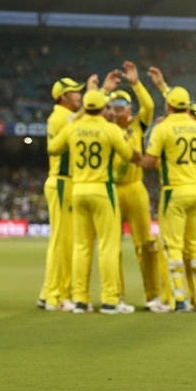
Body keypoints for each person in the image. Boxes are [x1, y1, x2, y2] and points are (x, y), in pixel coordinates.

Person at [48, 89, 141, 314]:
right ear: (103, 108)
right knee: (109, 246)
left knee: (81, 247)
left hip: (78, 189)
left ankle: (80, 300)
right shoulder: (109, 129)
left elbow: (52, 148)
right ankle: (110, 300)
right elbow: (129, 155)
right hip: (102, 189)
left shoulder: (73, 127)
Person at [141, 85, 196, 312]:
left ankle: (180, 298)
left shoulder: (163, 128)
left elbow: (151, 162)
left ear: (169, 105)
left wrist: (134, 157)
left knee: (173, 246)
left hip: (174, 190)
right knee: (195, 245)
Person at [105, 62, 167, 312]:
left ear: (129, 109)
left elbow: (150, 106)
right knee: (113, 246)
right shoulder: (105, 128)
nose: (117, 110)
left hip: (135, 187)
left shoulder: (137, 126)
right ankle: (116, 296)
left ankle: (154, 295)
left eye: (122, 105)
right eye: (113, 106)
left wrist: (135, 83)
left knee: (147, 245)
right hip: (112, 189)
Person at [38, 77, 84, 311]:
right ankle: (58, 295)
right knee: (64, 242)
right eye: (75, 92)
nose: (79, 95)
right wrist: (102, 92)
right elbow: (82, 122)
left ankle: (49, 292)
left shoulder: (60, 116)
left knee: (61, 241)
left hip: (63, 183)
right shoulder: (61, 117)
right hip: (63, 182)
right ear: (63, 96)